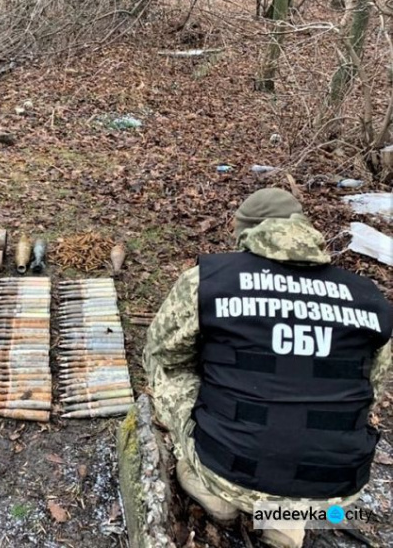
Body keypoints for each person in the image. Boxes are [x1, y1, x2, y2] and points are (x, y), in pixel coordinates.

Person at [143, 188, 392, 548]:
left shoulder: (209, 281)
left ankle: (216, 495)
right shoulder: (369, 297)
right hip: (334, 484)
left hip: (228, 467)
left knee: (166, 371)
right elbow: (373, 387)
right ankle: (286, 524)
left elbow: (164, 352)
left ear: (246, 232)